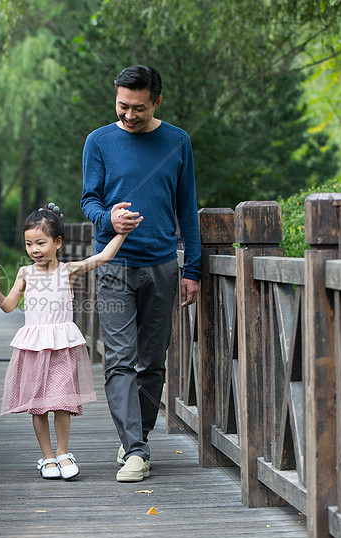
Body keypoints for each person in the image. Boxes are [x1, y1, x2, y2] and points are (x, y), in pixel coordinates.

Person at [81, 64, 201, 483]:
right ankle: (135, 449)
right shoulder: (98, 141)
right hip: (113, 264)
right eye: (122, 106)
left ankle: (138, 436)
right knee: (119, 360)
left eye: (138, 108)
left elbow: (187, 209)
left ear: (157, 102)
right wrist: (107, 219)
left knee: (152, 361)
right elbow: (88, 200)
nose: (128, 115)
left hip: (163, 265)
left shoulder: (178, 141)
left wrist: (194, 269)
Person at [0, 203, 132, 480]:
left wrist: (122, 232)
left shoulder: (68, 271)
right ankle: (47, 457)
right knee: (38, 404)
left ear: (58, 243)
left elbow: (102, 257)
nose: (35, 250)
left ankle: (63, 452)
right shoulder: (24, 274)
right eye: (29, 244)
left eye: (41, 243)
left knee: (63, 401)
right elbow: (7, 307)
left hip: (63, 346)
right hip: (34, 347)